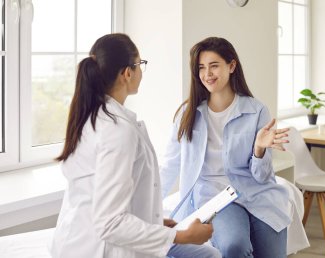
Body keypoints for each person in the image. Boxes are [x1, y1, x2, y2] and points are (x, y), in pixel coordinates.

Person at [50, 33, 221, 258]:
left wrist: (155, 221)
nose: (141, 71)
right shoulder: (117, 131)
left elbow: (105, 195)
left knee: (208, 255)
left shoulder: (92, 116)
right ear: (127, 73)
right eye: (140, 64)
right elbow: (109, 223)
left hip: (77, 238)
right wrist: (181, 236)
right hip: (98, 248)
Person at [160, 37, 291, 258]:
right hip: (216, 198)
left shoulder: (256, 110)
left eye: (214, 66)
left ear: (231, 66)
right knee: (234, 246)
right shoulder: (188, 114)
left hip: (258, 194)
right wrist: (146, 209)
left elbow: (262, 176)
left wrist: (259, 150)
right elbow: (170, 164)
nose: (207, 74)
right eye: (201, 68)